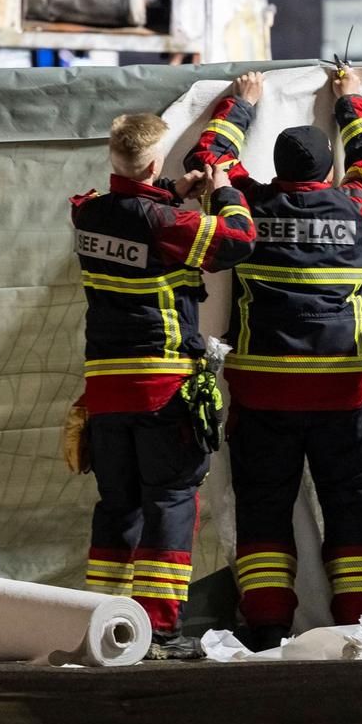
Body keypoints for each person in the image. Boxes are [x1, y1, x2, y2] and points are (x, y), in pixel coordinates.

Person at [186, 67, 362, 651]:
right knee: (351, 509)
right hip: (345, 395)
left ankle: (268, 624)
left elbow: (211, 162)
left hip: (263, 396)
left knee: (263, 510)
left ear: (277, 169)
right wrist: (350, 100)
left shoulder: (245, 207)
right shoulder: (356, 209)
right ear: (329, 172)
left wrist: (242, 105)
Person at [69, 110, 256, 660]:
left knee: (117, 506)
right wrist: (223, 191)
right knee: (170, 502)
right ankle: (157, 630)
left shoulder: (87, 213)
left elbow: (133, 216)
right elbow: (238, 240)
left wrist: (171, 190)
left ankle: (104, 622)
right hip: (162, 387)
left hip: (105, 392)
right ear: (155, 161)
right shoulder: (167, 224)